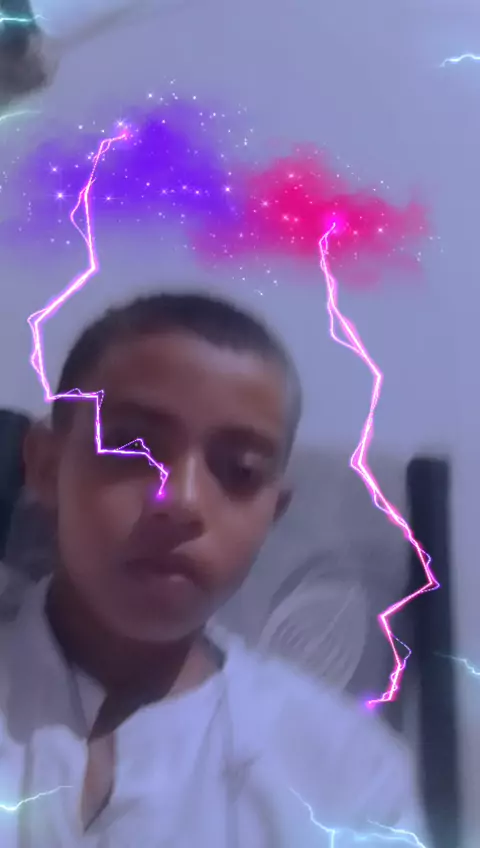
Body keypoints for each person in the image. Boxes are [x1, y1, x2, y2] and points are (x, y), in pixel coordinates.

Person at [0, 292, 426, 846]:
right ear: (46, 467)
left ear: (272, 514)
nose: (181, 500)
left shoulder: (346, 775)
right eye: (132, 446)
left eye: (239, 471)